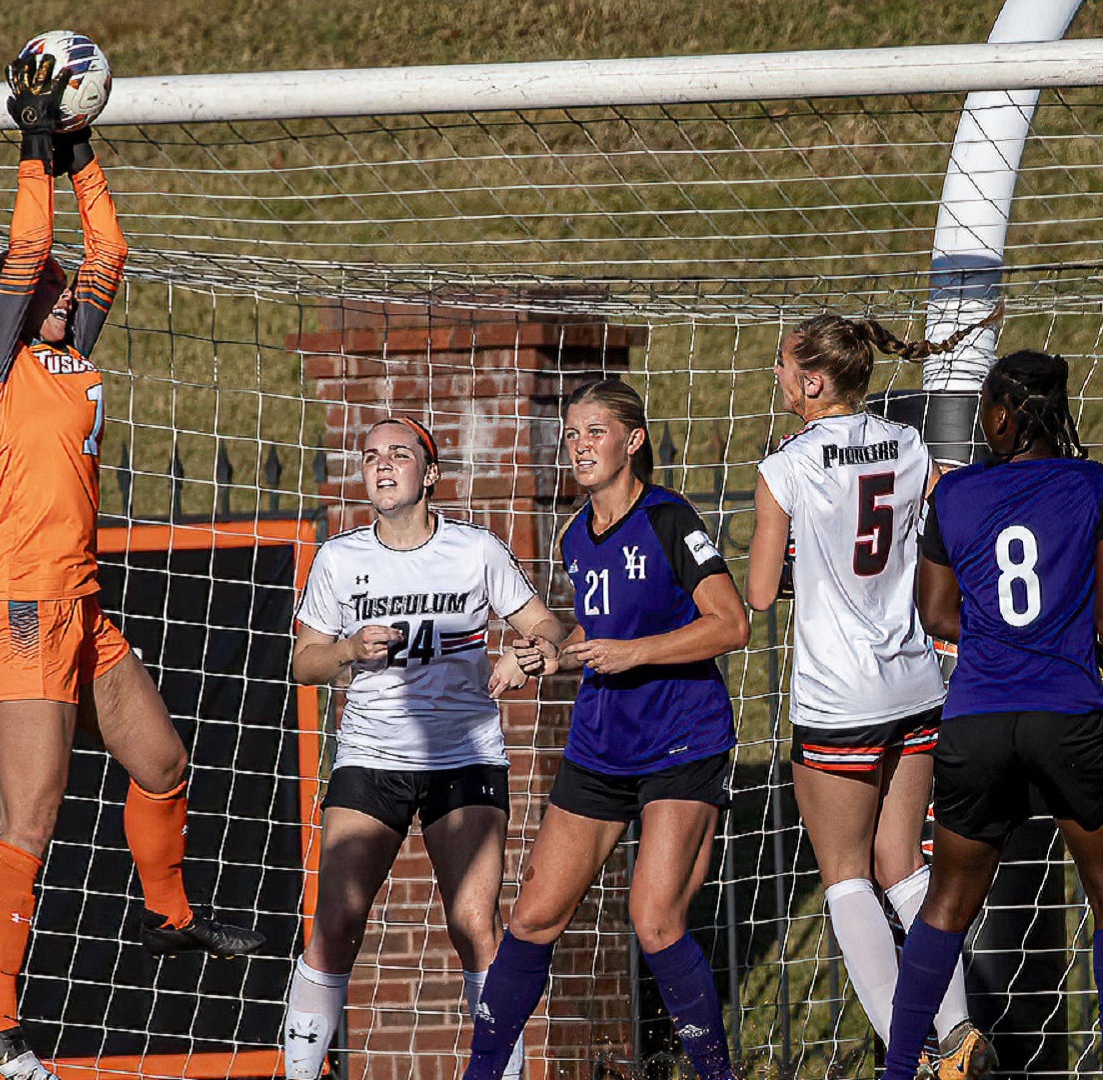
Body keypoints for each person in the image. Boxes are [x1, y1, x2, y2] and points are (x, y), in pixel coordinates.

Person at [0, 51, 263, 1080]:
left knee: (162, 763)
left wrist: (80, 148)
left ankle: (168, 919)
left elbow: (108, 243)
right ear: (16, 302)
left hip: (79, 600)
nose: (75, 292)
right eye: (55, 290)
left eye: (73, 291)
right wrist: (33, 140)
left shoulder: (70, 347)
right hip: (21, 606)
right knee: (29, 819)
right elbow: (30, 245)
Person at [462, 379, 749, 1080]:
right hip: (601, 743)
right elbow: (602, 626)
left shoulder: (670, 519)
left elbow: (731, 623)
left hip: (681, 739)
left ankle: (717, 1072)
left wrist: (637, 653)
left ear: (633, 441)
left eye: (596, 432)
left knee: (654, 919)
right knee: (531, 917)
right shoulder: (573, 535)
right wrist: (546, 653)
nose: (581, 446)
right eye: (572, 434)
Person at [283, 417, 568, 1080]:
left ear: (430, 475)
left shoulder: (476, 552)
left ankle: (499, 1072)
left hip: (463, 757)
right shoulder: (340, 559)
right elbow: (302, 663)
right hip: (372, 759)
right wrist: (349, 651)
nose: (382, 466)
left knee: (475, 924)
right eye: (371, 455)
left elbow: (545, 622)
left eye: (399, 455)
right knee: (335, 923)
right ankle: (298, 1071)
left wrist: (539, 652)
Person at [745, 314, 992, 1077]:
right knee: (907, 867)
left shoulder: (787, 464)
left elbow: (758, 593)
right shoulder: (911, 445)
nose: (778, 379)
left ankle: (910, 1054)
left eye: (784, 367)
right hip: (914, 682)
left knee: (848, 875)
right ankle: (959, 1034)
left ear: (814, 380)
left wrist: (797, 564)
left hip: (839, 698)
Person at [882, 351, 1103, 1080]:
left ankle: (899, 1070)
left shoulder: (956, 495)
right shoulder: (1091, 486)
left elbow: (937, 610)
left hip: (977, 716)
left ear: (1004, 415)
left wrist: (998, 639)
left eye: (985, 407)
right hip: (1066, 712)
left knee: (946, 901)